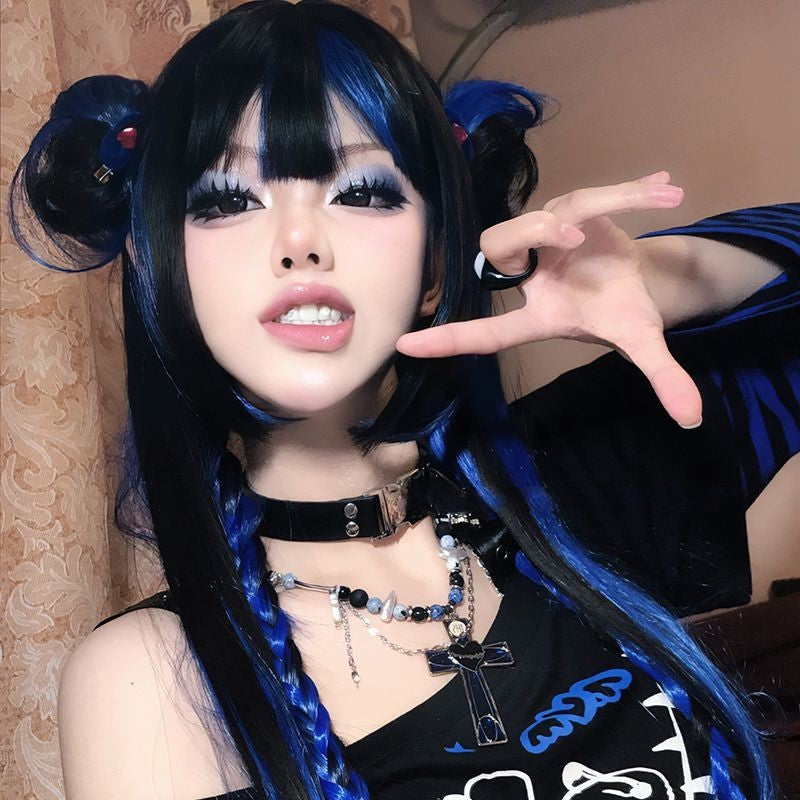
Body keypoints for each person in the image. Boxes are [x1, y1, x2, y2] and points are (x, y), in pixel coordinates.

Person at [9, 1, 798, 798]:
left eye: (361, 191)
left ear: (434, 265)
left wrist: (665, 279)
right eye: (227, 201)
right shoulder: (149, 681)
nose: (300, 242)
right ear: (162, 271)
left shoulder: (580, 483)